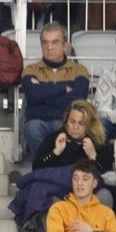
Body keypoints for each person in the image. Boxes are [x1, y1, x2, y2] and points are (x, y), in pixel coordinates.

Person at [17, 23, 90, 157]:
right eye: (45, 43)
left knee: (73, 128)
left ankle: (54, 165)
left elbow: (78, 99)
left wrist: (43, 95)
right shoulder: (30, 70)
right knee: (32, 128)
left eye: (55, 42)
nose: (49, 47)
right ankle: (48, 165)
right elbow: (33, 95)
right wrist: (63, 88)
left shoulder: (79, 70)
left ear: (65, 46)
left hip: (66, 122)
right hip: (38, 122)